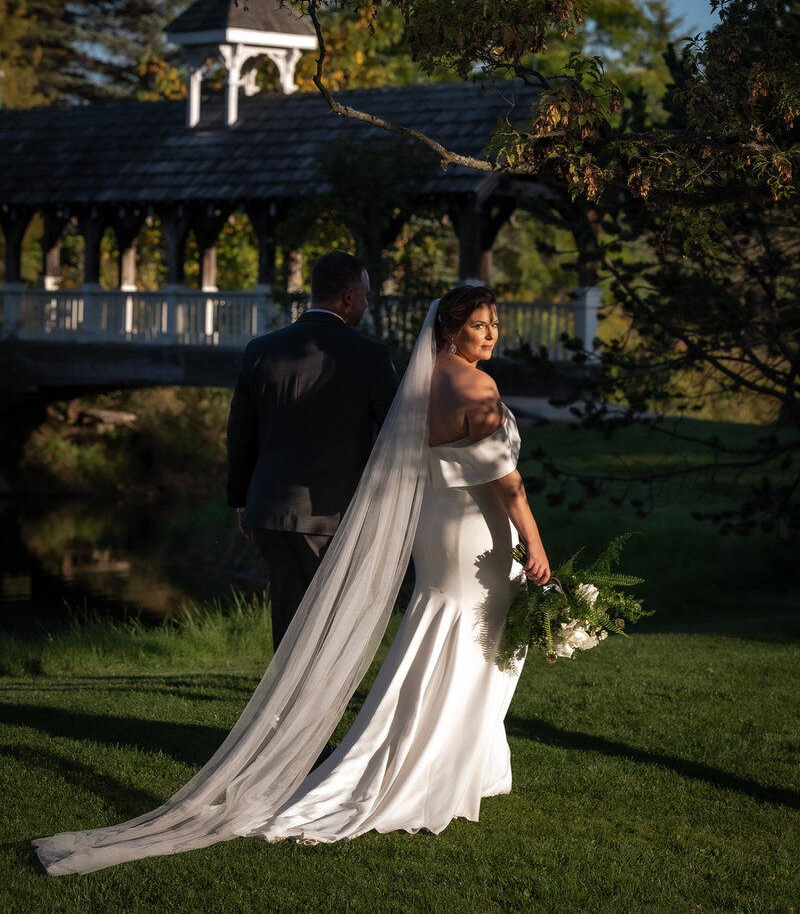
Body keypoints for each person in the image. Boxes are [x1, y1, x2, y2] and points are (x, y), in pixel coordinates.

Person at [33, 286, 550, 874]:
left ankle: (463, 758)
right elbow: (506, 481)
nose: (491, 334)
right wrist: (533, 541)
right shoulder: (478, 386)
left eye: (495, 324)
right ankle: (435, 765)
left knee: (444, 629)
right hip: (474, 526)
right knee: (474, 635)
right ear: (452, 329)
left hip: (435, 527)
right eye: (480, 325)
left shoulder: (421, 382)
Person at [226, 249, 399, 649]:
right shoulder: (369, 356)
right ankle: (312, 708)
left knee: (288, 615)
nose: (367, 304)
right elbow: (395, 433)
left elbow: (240, 433)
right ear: (350, 296)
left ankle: (284, 705)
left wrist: (242, 501)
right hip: (330, 512)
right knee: (330, 621)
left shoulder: (261, 349)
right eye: (367, 295)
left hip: (268, 509)